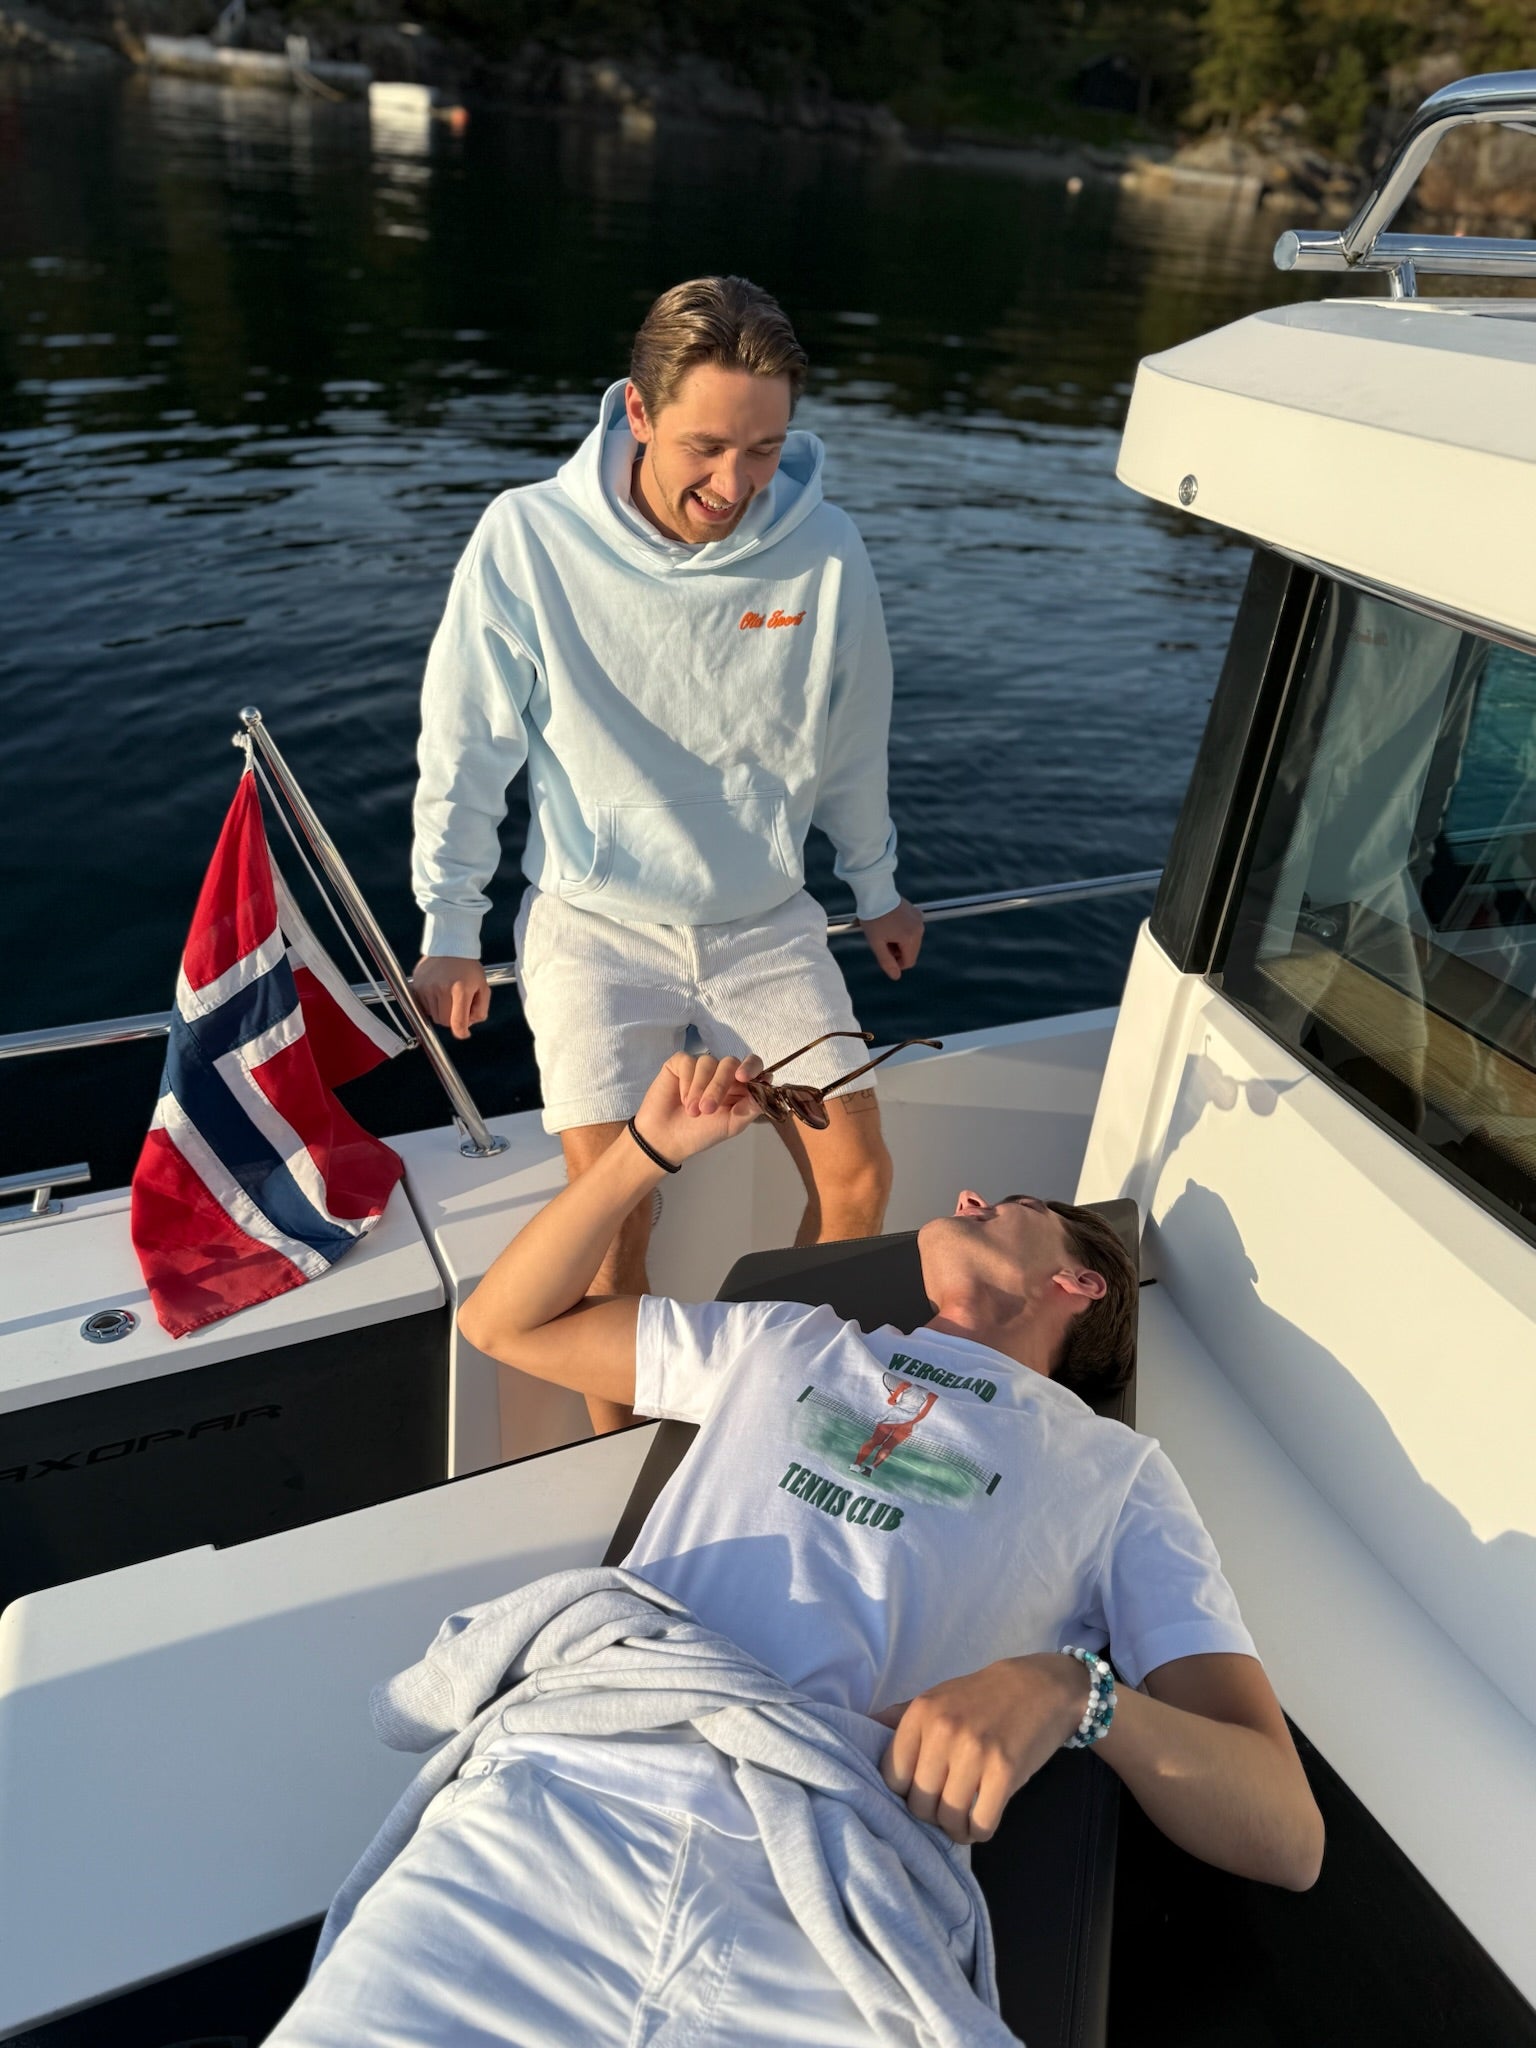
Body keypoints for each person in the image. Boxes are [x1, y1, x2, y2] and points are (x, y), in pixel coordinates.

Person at [267, 1052, 1324, 2048]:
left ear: (1082, 1283)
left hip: (821, 1900)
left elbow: (1287, 1834)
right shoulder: (788, 1339)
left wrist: (1077, 1693)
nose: (968, 1195)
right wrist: (645, 1149)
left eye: (1012, 1204)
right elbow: (505, 1324)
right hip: (566, 1798)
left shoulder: (1117, 1476)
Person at [409, 275, 924, 1434]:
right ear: (637, 412)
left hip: (765, 920)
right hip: (594, 926)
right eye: (707, 447)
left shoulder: (826, 549)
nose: (735, 485)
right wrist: (451, 924)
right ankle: (629, 1475)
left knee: (859, 1179)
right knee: (614, 1228)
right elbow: (467, 742)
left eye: (765, 449)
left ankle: (783, 1424)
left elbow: (853, 735)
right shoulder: (528, 538)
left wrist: (877, 884)